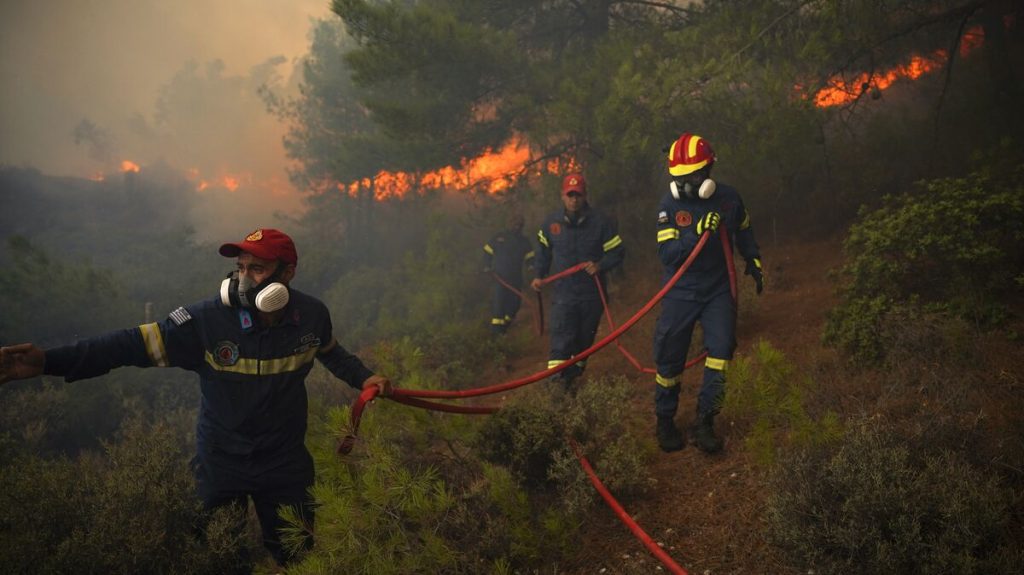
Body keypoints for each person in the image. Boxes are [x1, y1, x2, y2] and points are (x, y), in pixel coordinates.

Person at [0, 228, 392, 567]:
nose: (242, 278)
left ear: (286, 275)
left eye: (255, 269)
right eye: (240, 267)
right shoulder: (204, 321)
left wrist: (365, 378)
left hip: (284, 464)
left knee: (298, 554)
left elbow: (331, 352)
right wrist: (49, 362)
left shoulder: (312, 315)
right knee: (215, 557)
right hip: (220, 463)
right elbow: (126, 345)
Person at [652, 133, 764, 454]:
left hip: (717, 290)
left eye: (693, 176)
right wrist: (696, 234)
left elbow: (743, 228)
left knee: (721, 351)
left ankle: (705, 421)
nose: (687, 184)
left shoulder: (728, 198)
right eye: (680, 178)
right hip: (680, 291)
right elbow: (668, 254)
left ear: (708, 172)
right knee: (670, 358)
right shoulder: (669, 205)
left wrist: (753, 258)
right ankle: (664, 420)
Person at [531, 173, 624, 390]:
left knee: (583, 345)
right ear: (562, 196)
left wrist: (600, 265)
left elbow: (617, 252)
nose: (574, 199)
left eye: (578, 195)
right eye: (569, 195)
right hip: (564, 295)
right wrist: (538, 274)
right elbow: (543, 251)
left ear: (584, 196)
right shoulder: (551, 224)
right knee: (561, 341)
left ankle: (569, 380)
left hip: (592, 295)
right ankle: (556, 387)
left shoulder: (601, 223)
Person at [481, 213, 534, 334]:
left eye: (519, 224)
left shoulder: (524, 241)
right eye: (514, 223)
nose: (517, 226)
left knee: (515, 305)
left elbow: (530, 257)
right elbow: (487, 252)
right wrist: (486, 266)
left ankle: (506, 324)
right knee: (499, 304)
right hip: (500, 278)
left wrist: (531, 267)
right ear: (509, 223)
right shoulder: (499, 237)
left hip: (516, 279)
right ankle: (496, 333)